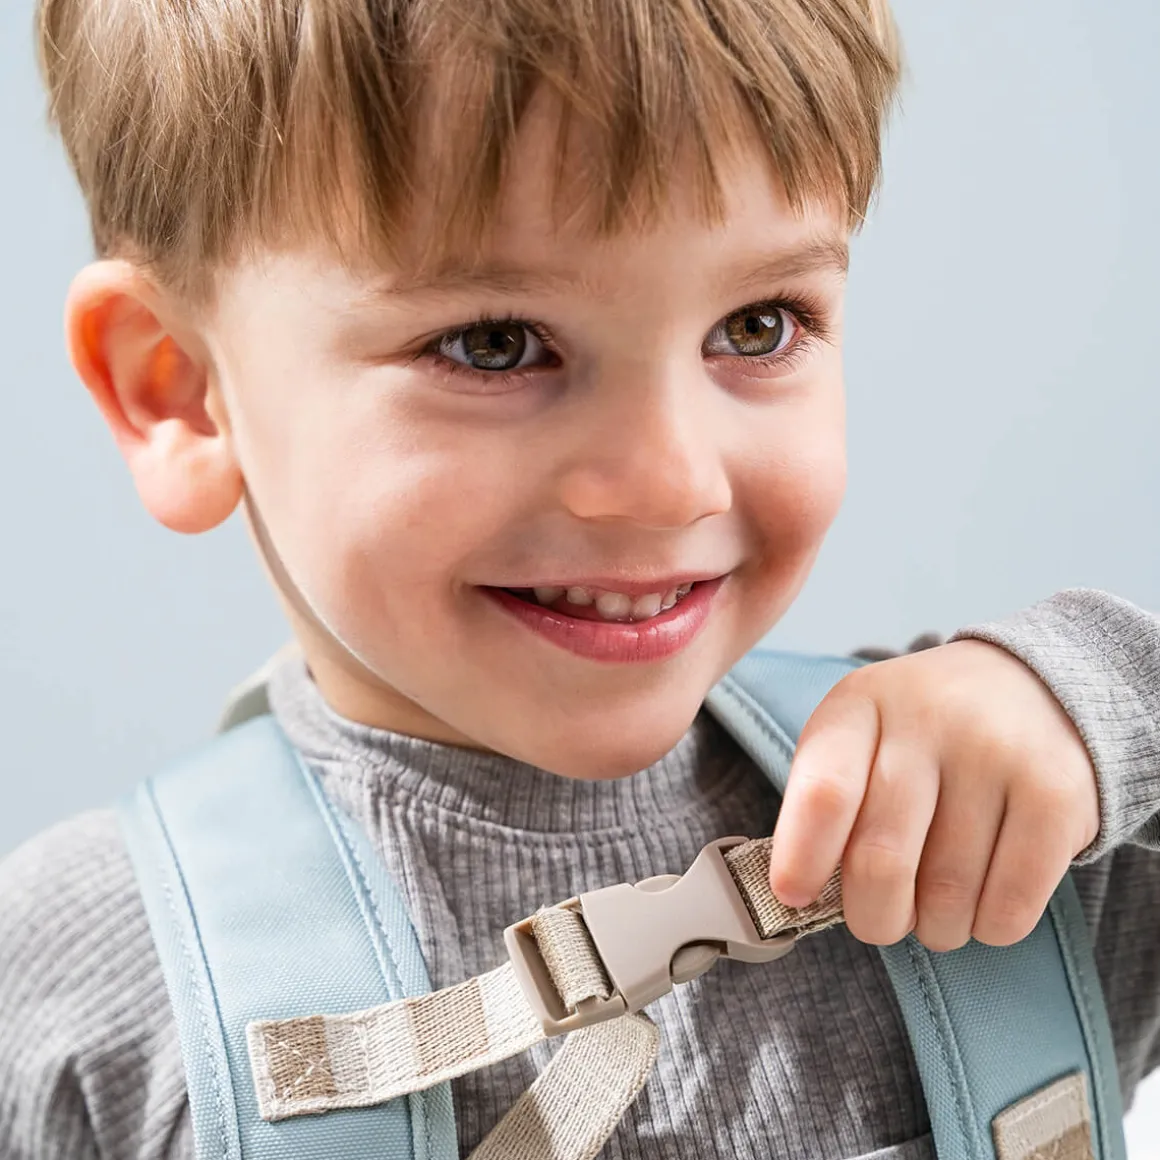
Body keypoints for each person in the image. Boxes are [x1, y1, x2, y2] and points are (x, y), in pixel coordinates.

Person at [2, 0, 1157, 1156]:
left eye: (756, 325)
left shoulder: (1001, 832)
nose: (668, 482)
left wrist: (1101, 695)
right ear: (179, 388)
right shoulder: (79, 983)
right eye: (494, 343)